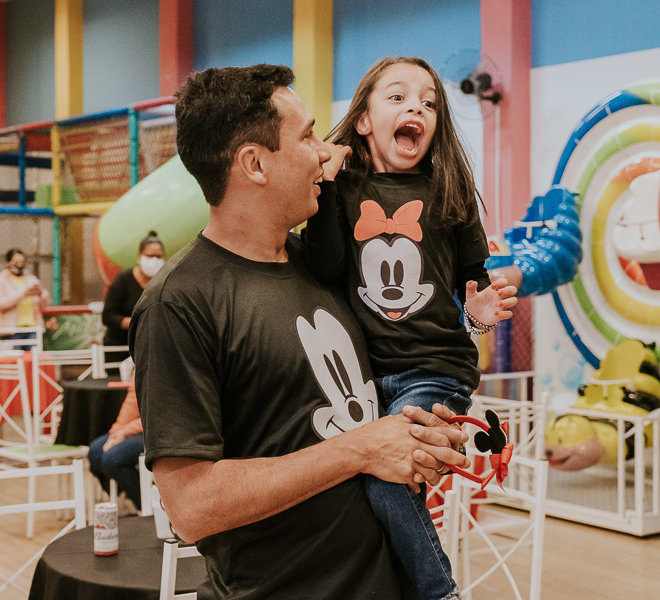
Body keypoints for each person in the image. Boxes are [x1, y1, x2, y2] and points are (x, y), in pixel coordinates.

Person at [130, 64, 470, 599]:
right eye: (308, 134)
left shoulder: (326, 265)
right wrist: (359, 449)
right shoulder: (181, 302)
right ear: (255, 163)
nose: (323, 150)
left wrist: (422, 436)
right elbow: (191, 507)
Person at [302, 56, 518, 599]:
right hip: (364, 378)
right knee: (351, 493)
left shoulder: (450, 191)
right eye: (397, 97)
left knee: (387, 481)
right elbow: (324, 267)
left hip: (434, 371)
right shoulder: (342, 191)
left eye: (427, 102)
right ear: (364, 121)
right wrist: (326, 188)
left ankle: (440, 593)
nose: (415, 107)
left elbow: (471, 284)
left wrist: (478, 315)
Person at [101, 231, 164, 370]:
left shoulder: (163, 282)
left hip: (153, 349)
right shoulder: (123, 280)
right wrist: (134, 322)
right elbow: (108, 316)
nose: (154, 260)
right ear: (139, 256)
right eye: (149, 255)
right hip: (119, 350)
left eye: (158, 256)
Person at [87, 376, 144, 510]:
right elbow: (132, 402)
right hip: (135, 429)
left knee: (112, 459)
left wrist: (124, 432)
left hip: (157, 431)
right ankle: (125, 494)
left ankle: (146, 505)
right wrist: (116, 432)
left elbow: (157, 415)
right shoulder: (140, 363)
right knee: (95, 451)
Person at [0, 248, 51, 349]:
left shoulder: (31, 279)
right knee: (16, 360)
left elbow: (46, 304)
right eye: (16, 262)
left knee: (33, 361)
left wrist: (41, 294)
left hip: (33, 328)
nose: (19, 265)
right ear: (7, 263)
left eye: (22, 262)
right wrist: (22, 294)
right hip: (11, 330)